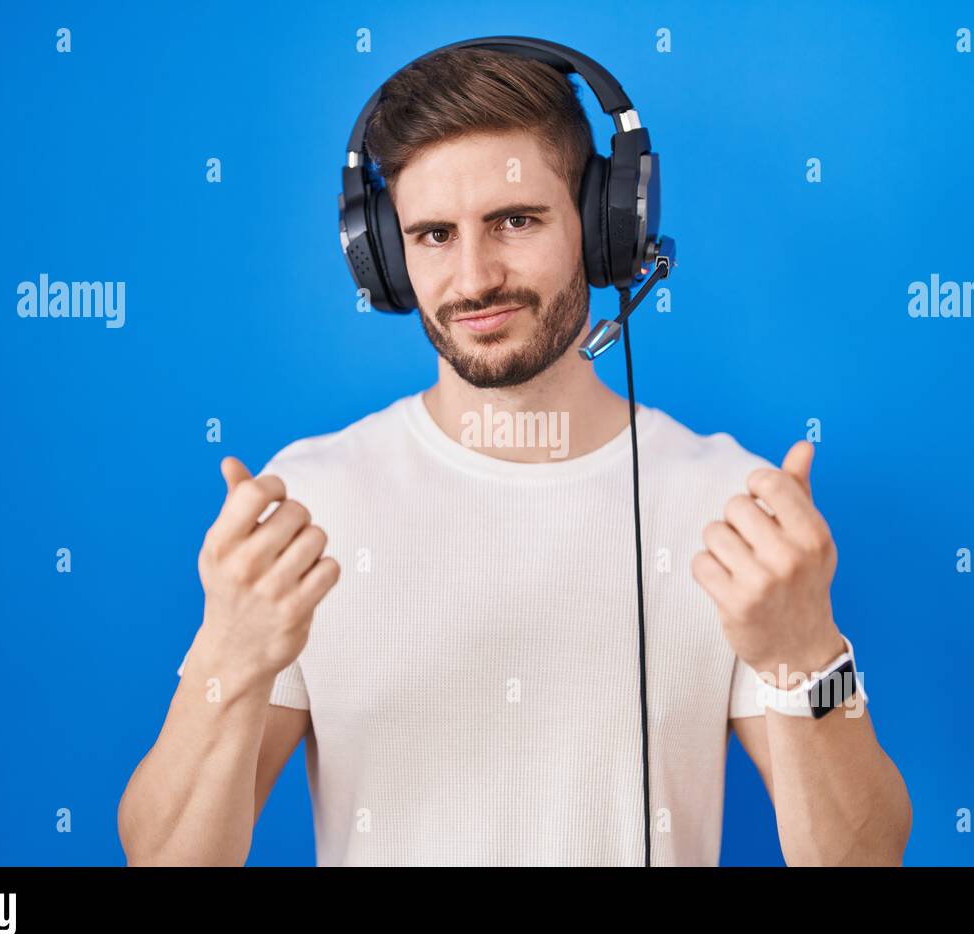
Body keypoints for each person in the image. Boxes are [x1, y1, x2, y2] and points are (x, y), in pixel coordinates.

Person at [117, 45, 912, 867]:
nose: (474, 277)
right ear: (386, 261)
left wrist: (812, 656)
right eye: (432, 234)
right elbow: (164, 858)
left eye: (516, 220)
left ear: (607, 227)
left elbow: (864, 859)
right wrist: (228, 656)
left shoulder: (728, 506)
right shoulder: (311, 504)